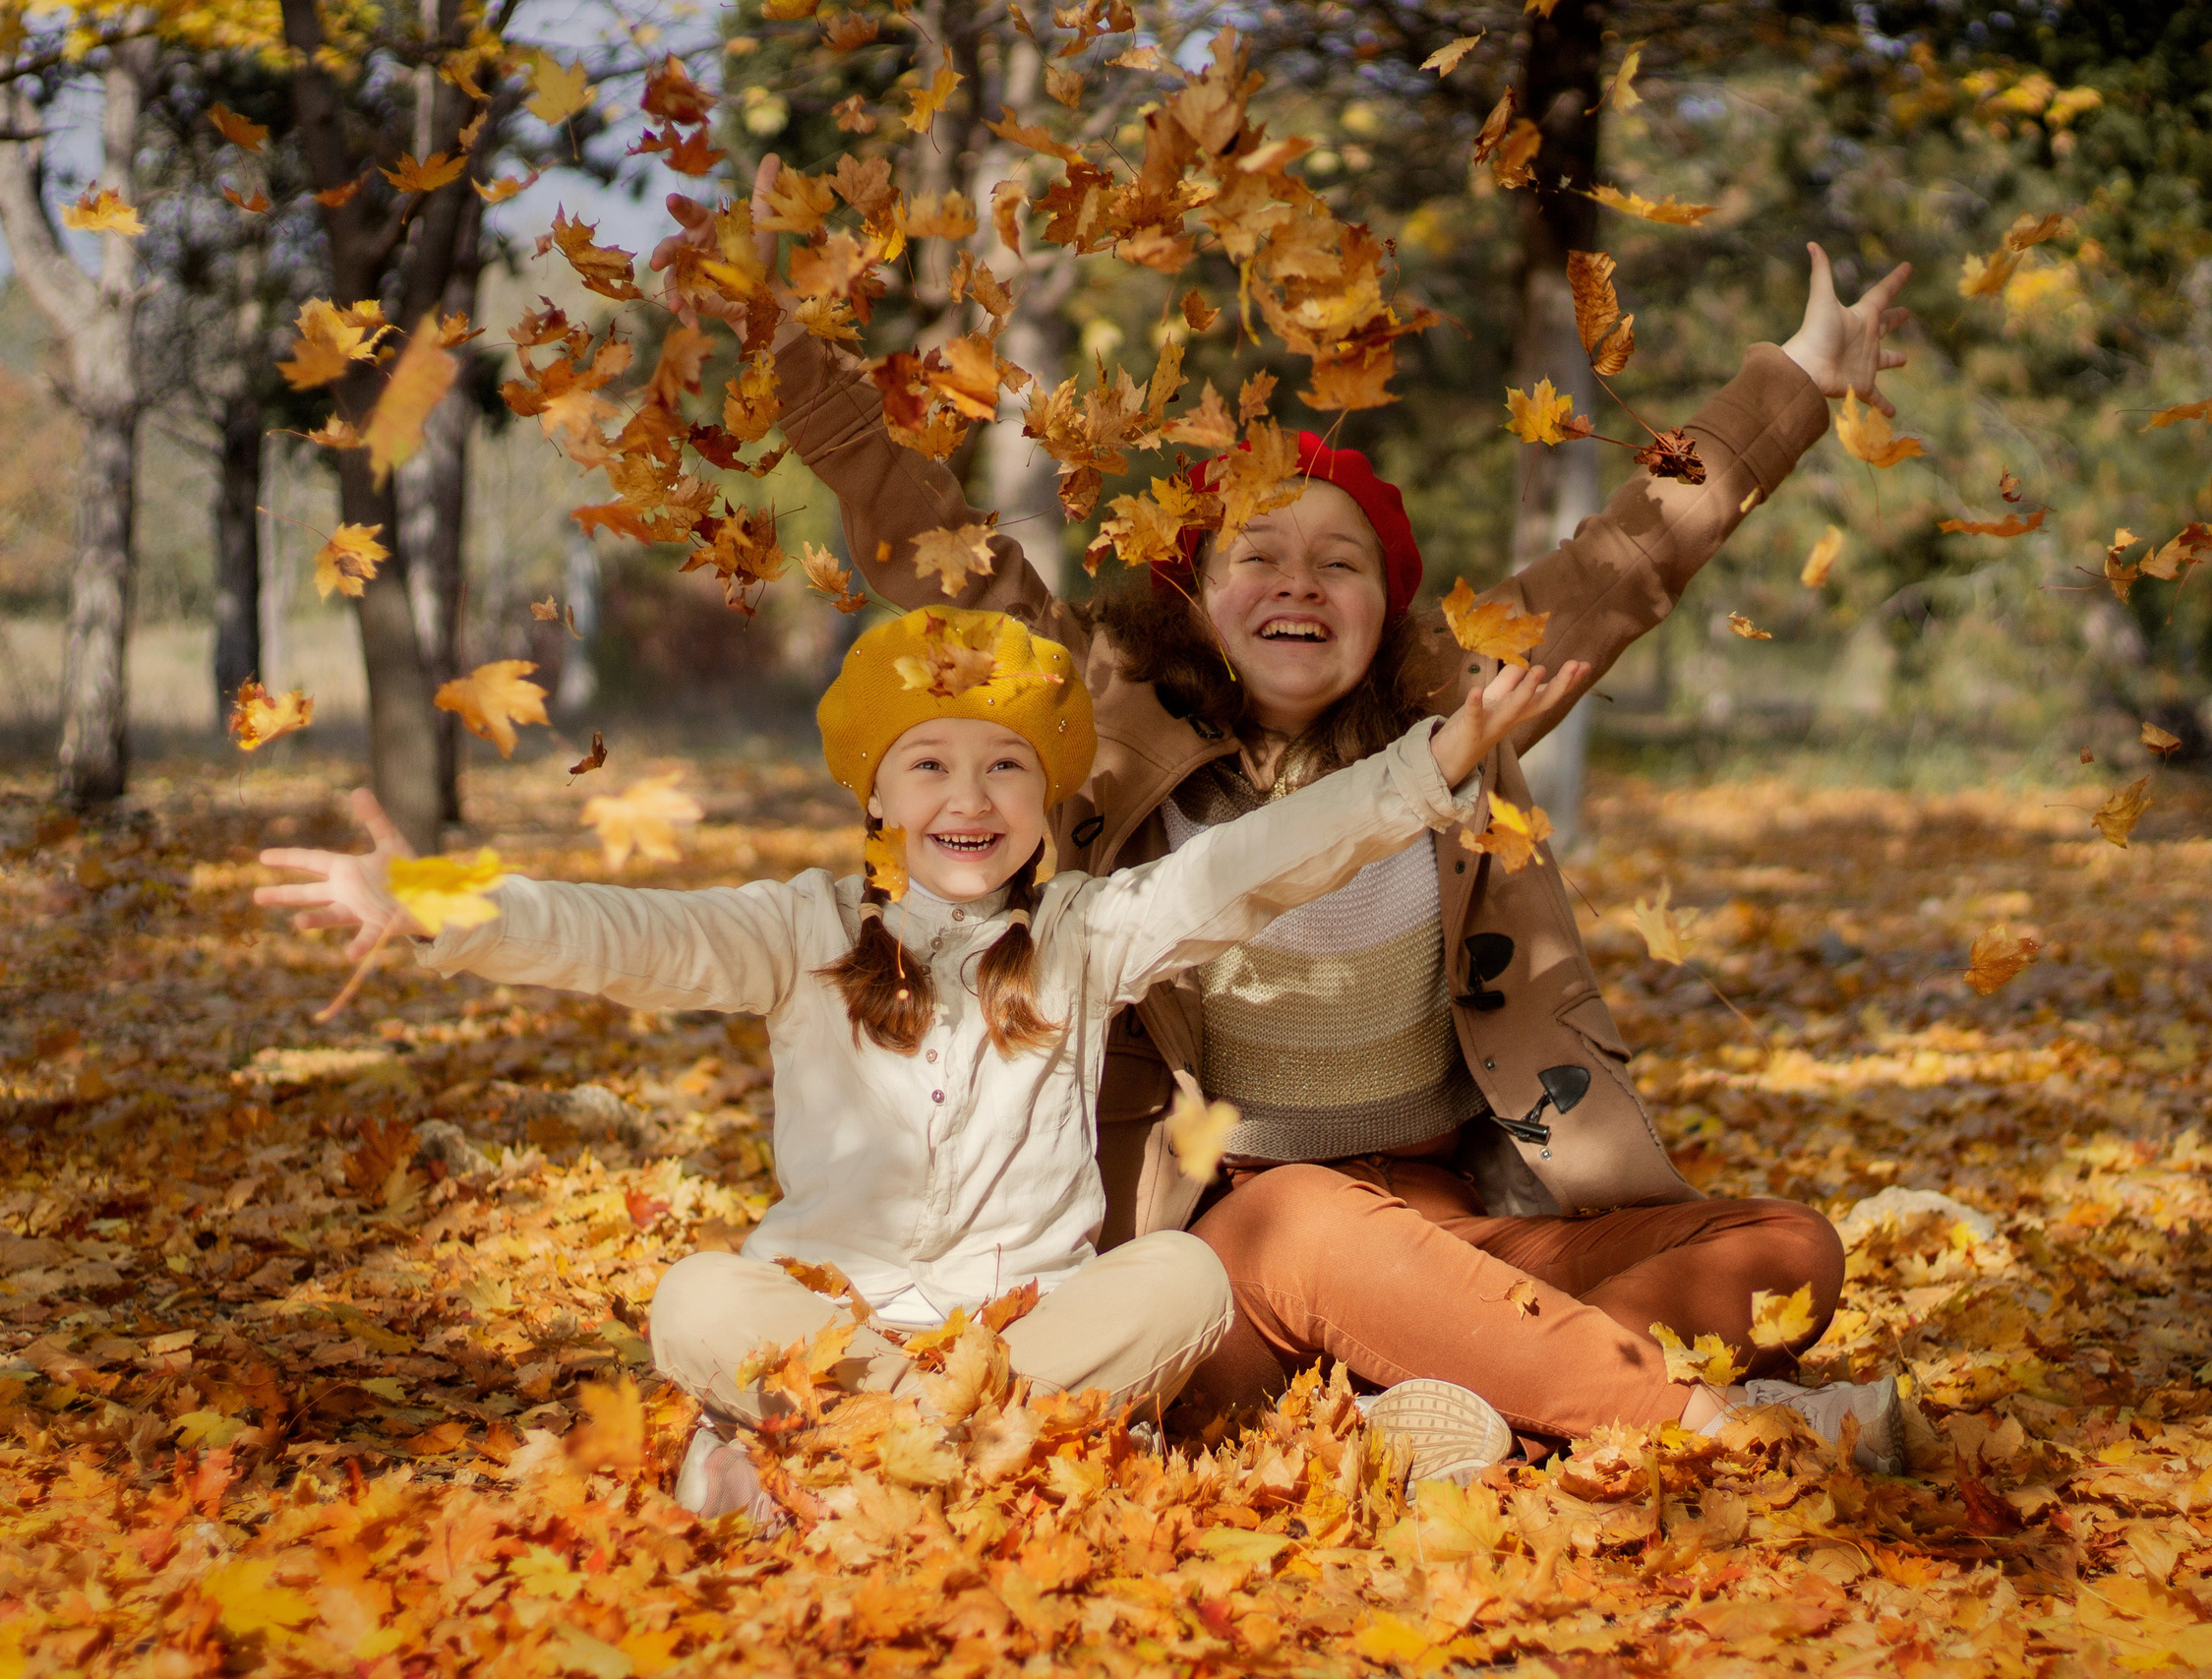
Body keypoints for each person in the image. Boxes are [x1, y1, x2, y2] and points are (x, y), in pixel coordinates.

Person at [721, 227, 1920, 1477]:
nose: (1301, 583)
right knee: (1302, 1220)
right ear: (1193, 592)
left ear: (1382, 607)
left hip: (1451, 1230)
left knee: (1785, 1249)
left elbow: (1629, 557)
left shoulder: (1456, 714)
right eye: (1261, 556)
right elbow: (929, 541)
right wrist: (793, 354)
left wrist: (1797, 375)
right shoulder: (1096, 708)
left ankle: (1446, 1405)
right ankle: (1702, 1430)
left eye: (1339, 563)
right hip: (1219, 1252)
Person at [253, 605, 1584, 1525]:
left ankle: (825, 1472)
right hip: (832, 1333)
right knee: (698, 1298)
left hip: (1023, 1343)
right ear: (877, 796)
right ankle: (954, 1460)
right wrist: (439, 901)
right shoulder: (803, 929)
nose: (970, 793)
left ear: (1045, 799)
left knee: (1181, 1274)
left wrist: (1433, 766)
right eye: (931, 762)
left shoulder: (1082, 936)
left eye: (1007, 764)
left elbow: (1246, 868)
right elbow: (623, 932)